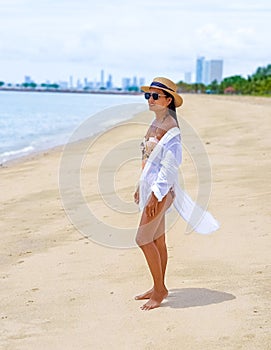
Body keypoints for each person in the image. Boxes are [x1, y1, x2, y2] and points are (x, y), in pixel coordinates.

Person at [134, 77, 219, 311]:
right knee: (158, 239)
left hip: (160, 191)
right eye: (147, 96)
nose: (149, 100)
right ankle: (158, 286)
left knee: (142, 239)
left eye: (155, 96)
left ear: (168, 100)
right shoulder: (155, 122)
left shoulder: (171, 128)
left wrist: (155, 195)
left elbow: (171, 167)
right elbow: (148, 159)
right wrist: (139, 186)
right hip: (150, 187)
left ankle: (160, 290)